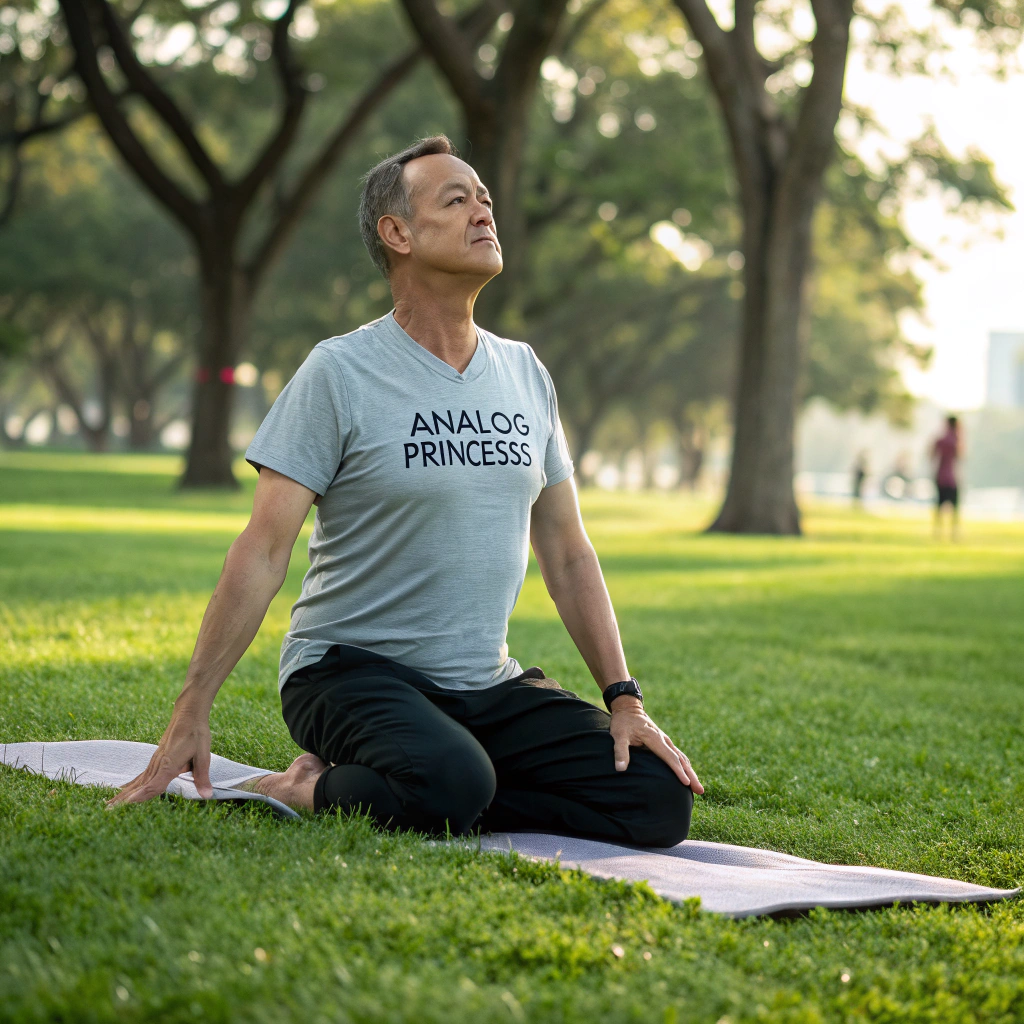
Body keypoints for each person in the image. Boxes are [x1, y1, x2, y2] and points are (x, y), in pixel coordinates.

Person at [109, 136, 702, 848]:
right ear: (398, 234)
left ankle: (439, 779)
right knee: (452, 783)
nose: (484, 211)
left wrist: (624, 699)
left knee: (654, 798)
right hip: (346, 672)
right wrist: (192, 705)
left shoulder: (525, 373)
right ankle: (313, 785)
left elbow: (569, 553)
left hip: (485, 683)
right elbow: (263, 551)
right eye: (457, 200)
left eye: (484, 198)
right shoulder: (340, 372)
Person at [931, 415, 962, 540]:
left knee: (939, 506)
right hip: (952, 478)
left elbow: (932, 455)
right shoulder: (957, 440)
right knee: (954, 508)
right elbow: (960, 457)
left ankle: (937, 533)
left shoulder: (940, 440)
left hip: (941, 476)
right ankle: (954, 534)